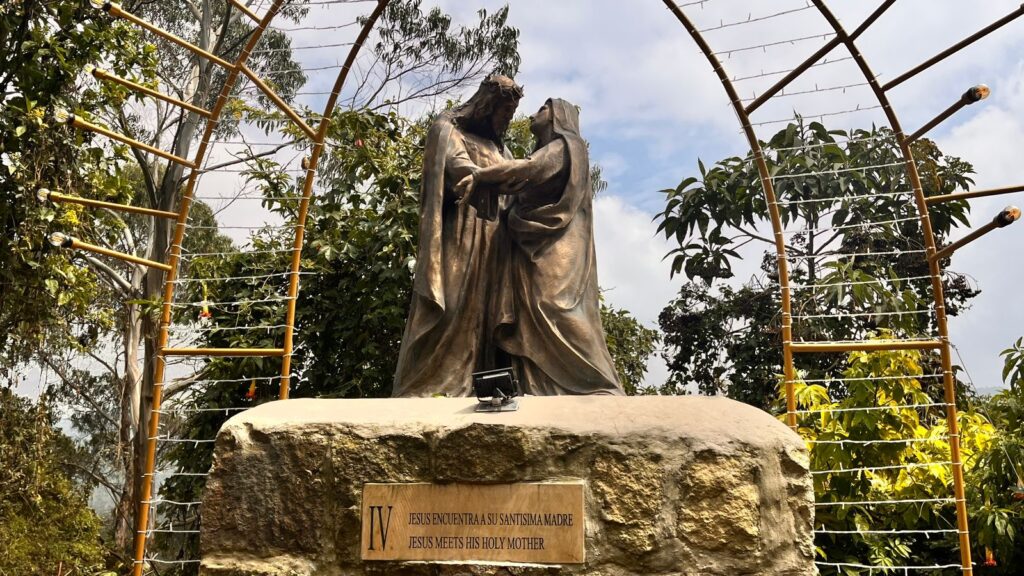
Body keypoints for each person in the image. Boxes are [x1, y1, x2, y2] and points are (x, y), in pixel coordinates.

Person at [455, 99, 624, 395]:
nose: (534, 114)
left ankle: (597, 383)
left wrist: (480, 174)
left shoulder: (567, 146)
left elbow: (530, 169)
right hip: (531, 250)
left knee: (553, 308)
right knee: (529, 316)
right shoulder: (548, 150)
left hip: (555, 248)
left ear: (559, 115)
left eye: (543, 108)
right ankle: (539, 388)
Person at [392, 75, 523, 398]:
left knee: (485, 315)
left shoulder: (501, 148)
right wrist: (507, 176)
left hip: (495, 242)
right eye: (504, 112)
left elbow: (513, 186)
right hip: (462, 234)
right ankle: (432, 386)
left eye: (511, 114)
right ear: (487, 106)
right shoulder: (450, 130)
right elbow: (458, 169)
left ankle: (482, 384)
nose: (507, 120)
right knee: (454, 308)